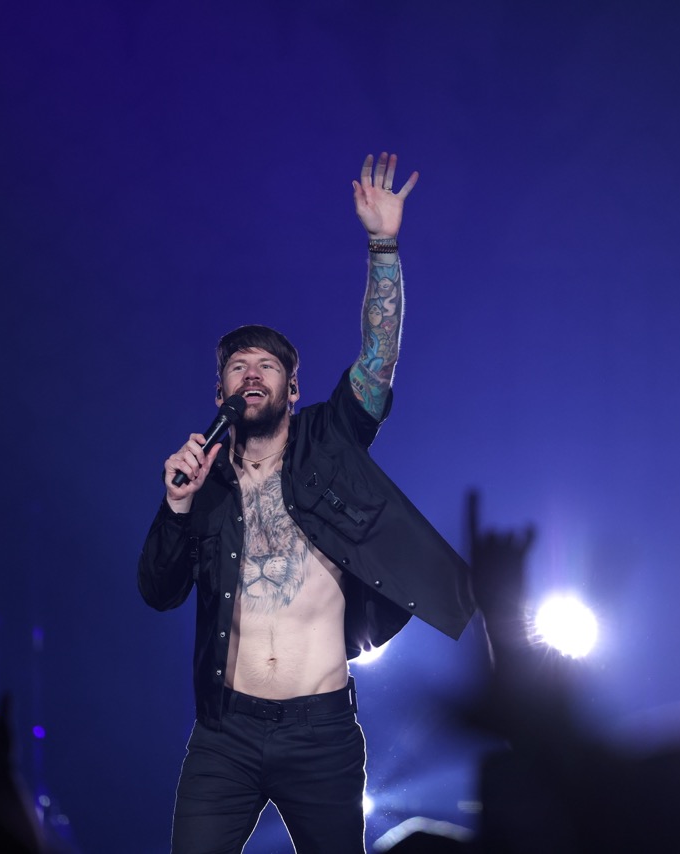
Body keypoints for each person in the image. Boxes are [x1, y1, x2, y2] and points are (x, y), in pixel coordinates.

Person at [138, 152, 475, 854]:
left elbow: (378, 358)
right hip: (224, 733)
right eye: (238, 366)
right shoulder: (205, 483)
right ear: (220, 393)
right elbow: (158, 592)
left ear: (292, 389)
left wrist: (383, 245)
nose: (251, 373)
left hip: (320, 731)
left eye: (267, 365)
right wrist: (175, 506)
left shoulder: (330, 439)